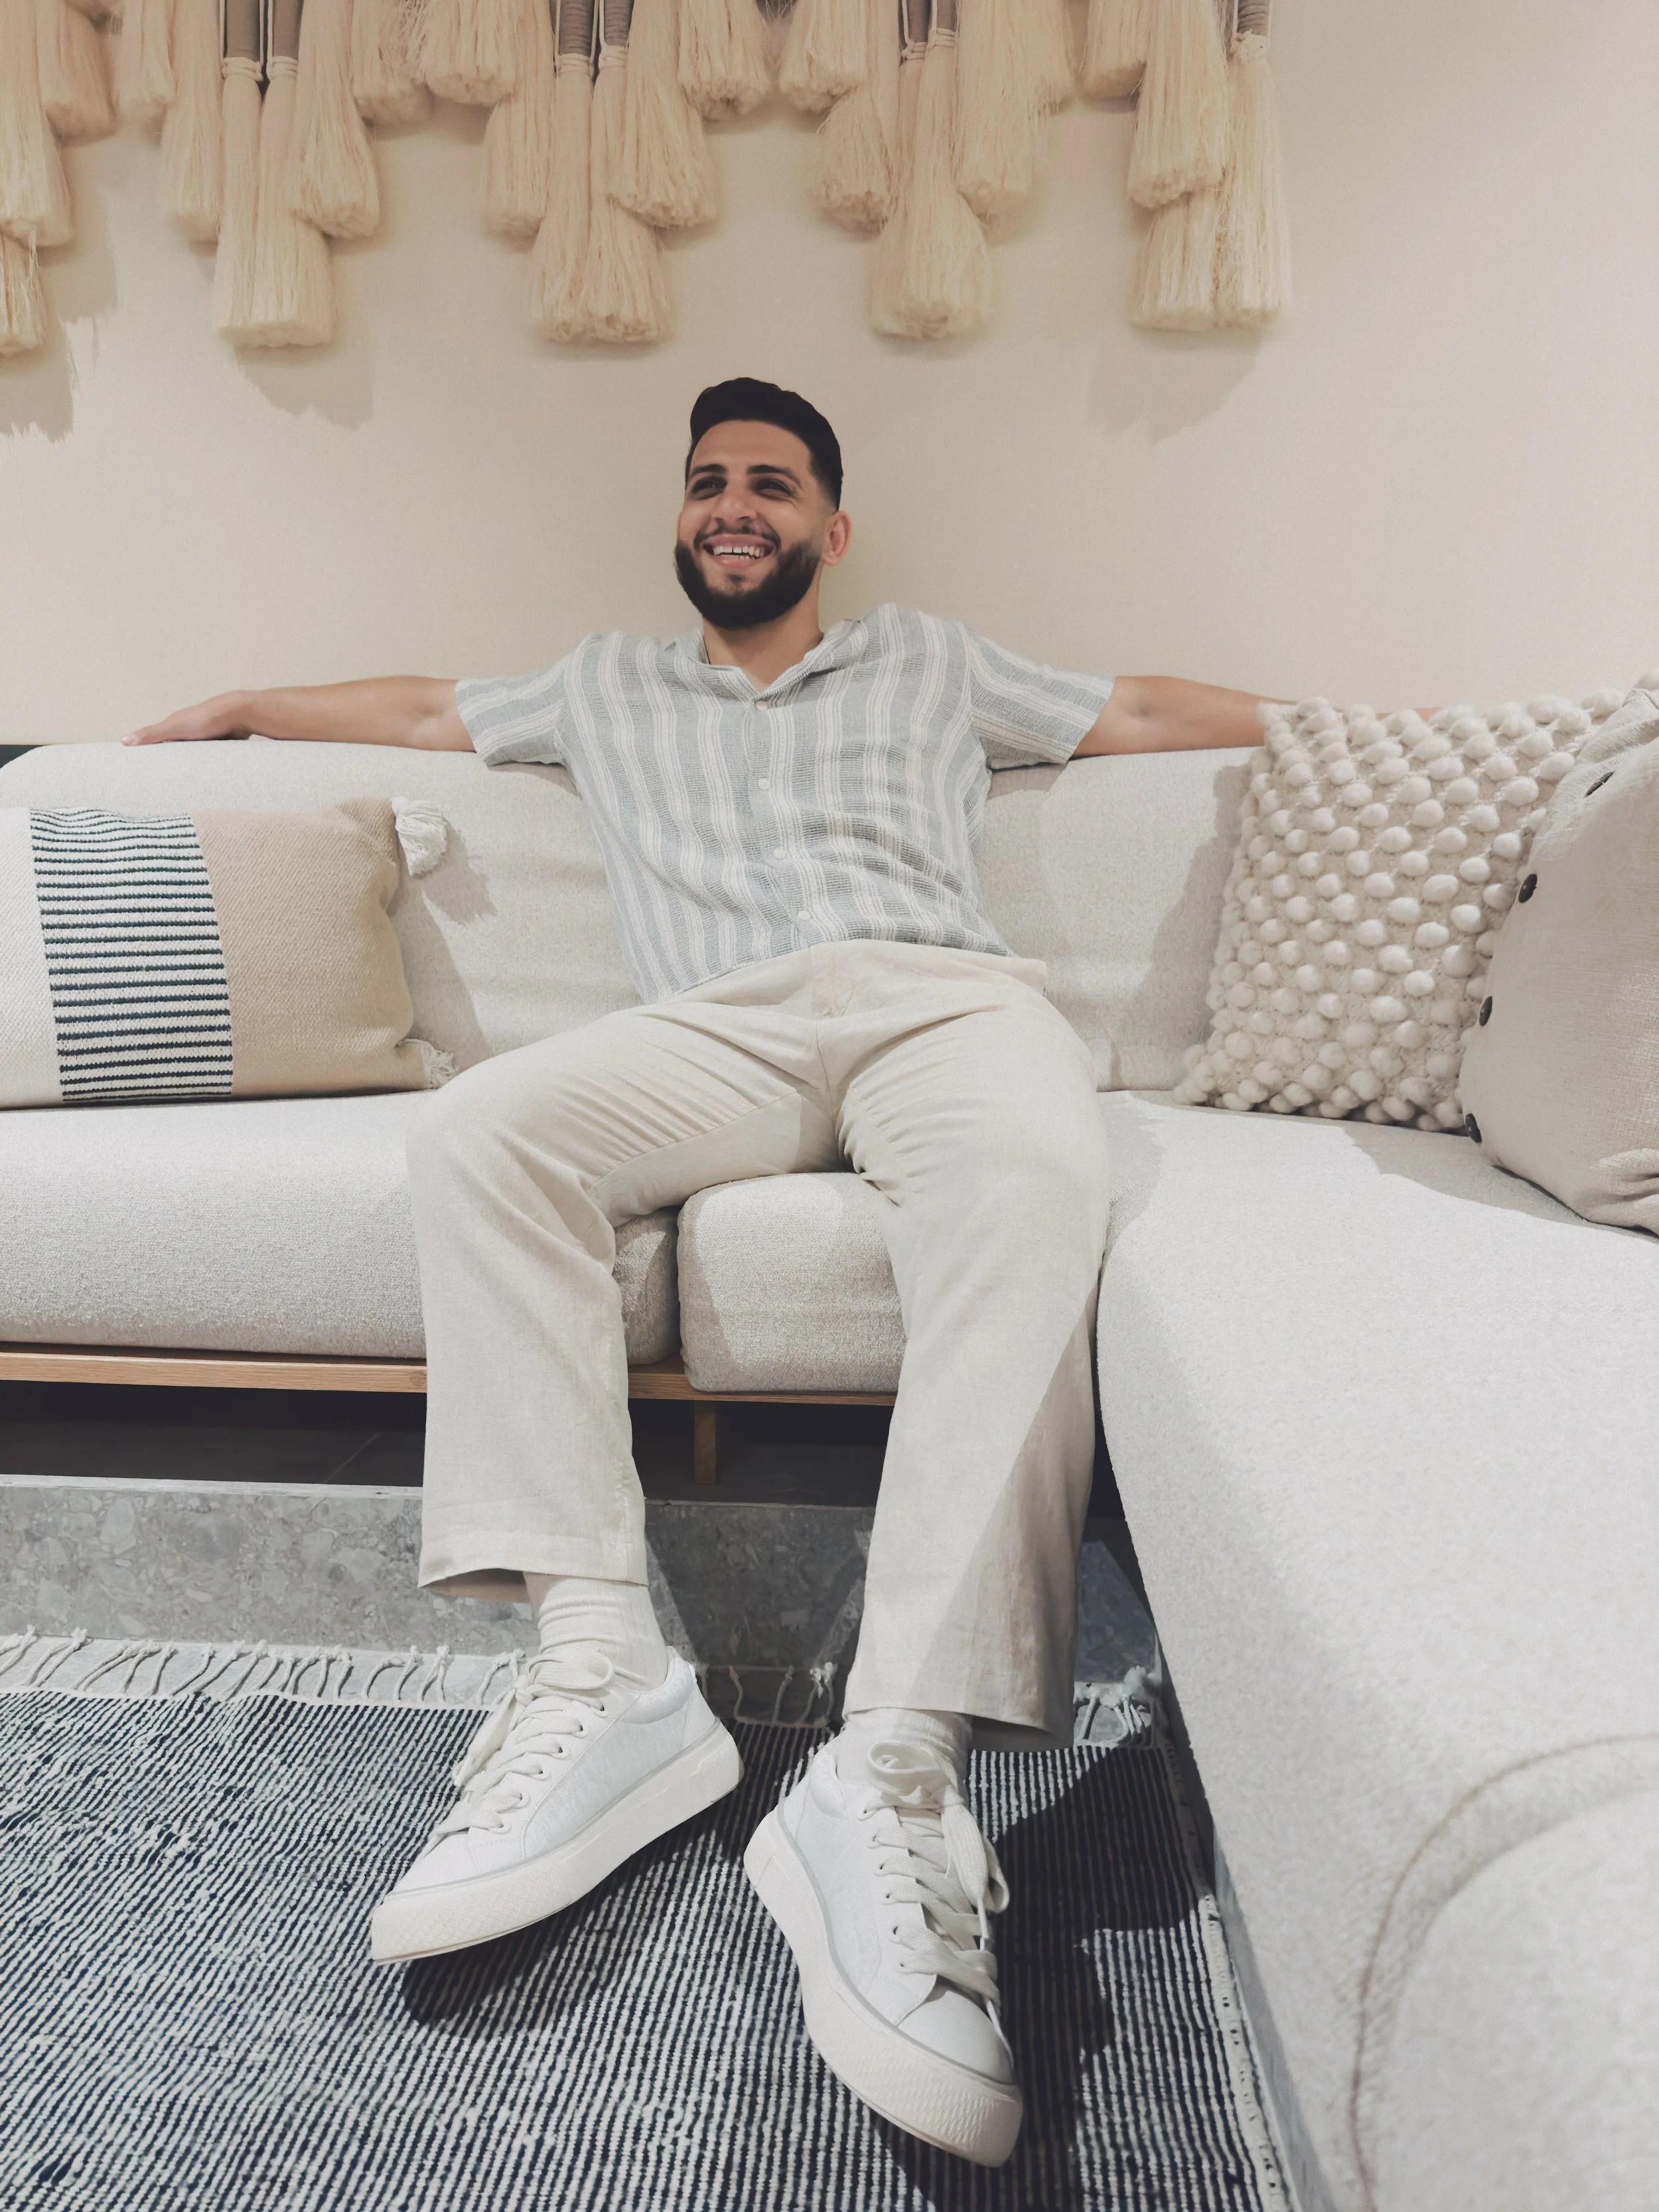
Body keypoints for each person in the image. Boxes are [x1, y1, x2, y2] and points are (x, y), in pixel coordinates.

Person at [129, 378, 1267, 2168]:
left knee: (1047, 1173)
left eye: (772, 483)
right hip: (709, 1032)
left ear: (829, 523)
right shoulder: (599, 684)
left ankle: (890, 1764)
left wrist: (1344, 725)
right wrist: (255, 702)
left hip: (929, 998)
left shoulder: (935, 662)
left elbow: (1131, 708)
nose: (735, 504)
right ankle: (602, 1670)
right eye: (709, 481)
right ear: (684, 517)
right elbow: (427, 704)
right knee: (484, 1133)